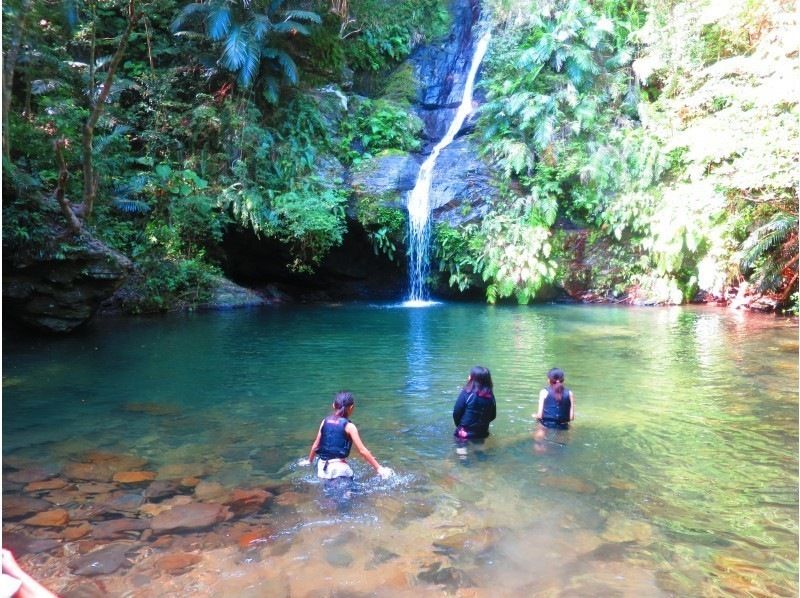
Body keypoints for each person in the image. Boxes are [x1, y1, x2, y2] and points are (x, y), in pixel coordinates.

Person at [301, 391, 393, 480]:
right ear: (352, 407)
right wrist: (379, 468)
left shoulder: (324, 421)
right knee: (349, 494)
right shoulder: (349, 426)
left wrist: (309, 461)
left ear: (333, 405)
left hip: (322, 468)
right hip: (340, 469)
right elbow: (362, 451)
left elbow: (316, 445)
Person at [452, 366, 497, 440]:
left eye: (470, 375)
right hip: (482, 433)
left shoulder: (467, 393)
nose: (468, 376)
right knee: (479, 450)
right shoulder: (490, 396)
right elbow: (493, 416)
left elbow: (456, 412)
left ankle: (461, 451)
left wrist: (460, 426)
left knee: (461, 450)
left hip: (464, 434)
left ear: (473, 379)